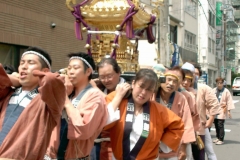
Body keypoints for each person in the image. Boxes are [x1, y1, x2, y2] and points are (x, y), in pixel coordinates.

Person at [0, 46, 66, 160]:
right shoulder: (9, 93)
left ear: (44, 71)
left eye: (30, 63)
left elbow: (52, 80)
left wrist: (40, 74)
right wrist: (13, 80)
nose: (24, 66)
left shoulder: (47, 101)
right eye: (22, 63)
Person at [105, 68, 184, 159]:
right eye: (141, 86)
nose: (143, 92)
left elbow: (178, 125)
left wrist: (161, 143)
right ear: (133, 83)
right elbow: (103, 120)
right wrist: (118, 96)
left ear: (153, 92)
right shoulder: (118, 99)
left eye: (149, 89)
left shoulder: (159, 110)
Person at [45, 52, 108, 160]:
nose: (71, 72)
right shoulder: (68, 91)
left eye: (76, 68)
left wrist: (65, 100)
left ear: (88, 71)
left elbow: (83, 129)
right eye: (69, 68)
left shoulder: (95, 96)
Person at [152, 66, 195, 160]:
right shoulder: (152, 95)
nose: (171, 84)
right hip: (152, 144)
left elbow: (186, 123)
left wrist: (183, 148)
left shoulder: (181, 98)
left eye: (175, 81)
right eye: (168, 80)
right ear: (162, 80)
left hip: (173, 145)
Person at [182, 62, 220, 160]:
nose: (186, 81)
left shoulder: (203, 88)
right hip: (180, 131)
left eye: (195, 74)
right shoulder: (176, 91)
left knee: (200, 153)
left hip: (198, 129)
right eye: (184, 76)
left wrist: (210, 120)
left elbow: (214, 104)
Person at [91, 58, 126, 160]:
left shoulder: (127, 88)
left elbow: (111, 106)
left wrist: (95, 88)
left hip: (119, 142)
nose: (106, 80)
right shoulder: (99, 87)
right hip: (97, 143)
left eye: (109, 76)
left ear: (119, 72)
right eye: (102, 77)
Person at [212, 77, 235, 145]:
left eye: (221, 83)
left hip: (222, 109)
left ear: (223, 83)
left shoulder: (226, 91)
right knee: (216, 123)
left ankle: (221, 139)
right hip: (215, 109)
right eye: (218, 83)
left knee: (220, 124)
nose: (219, 84)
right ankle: (218, 137)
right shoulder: (214, 90)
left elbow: (229, 101)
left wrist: (228, 111)